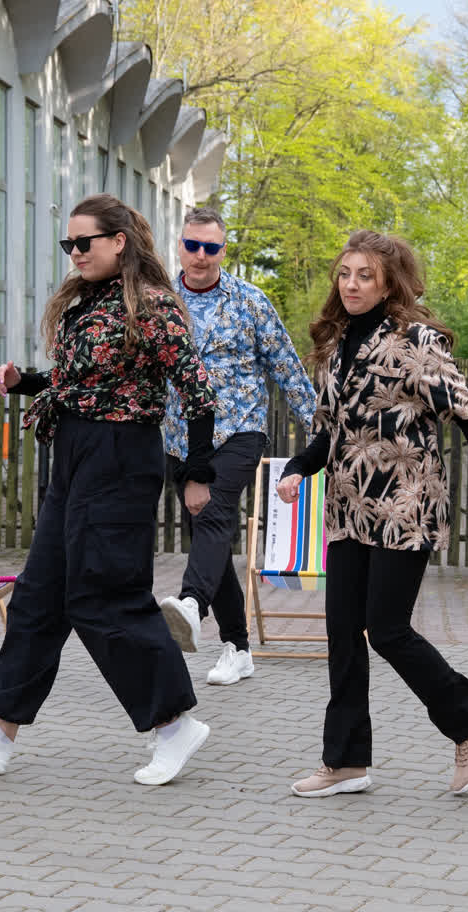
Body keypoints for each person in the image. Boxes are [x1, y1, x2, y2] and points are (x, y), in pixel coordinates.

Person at [0, 194, 219, 787]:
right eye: (69, 244)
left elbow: (198, 392)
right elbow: (77, 383)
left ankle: (174, 725)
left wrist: (198, 471)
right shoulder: (90, 301)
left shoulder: (153, 305)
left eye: (83, 242)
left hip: (121, 456)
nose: (75, 253)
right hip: (76, 454)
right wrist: (23, 381)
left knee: (105, 594)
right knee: (40, 594)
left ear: (118, 241)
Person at [278, 230, 468, 798]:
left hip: (405, 505)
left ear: (388, 284)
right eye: (345, 273)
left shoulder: (416, 341)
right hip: (348, 508)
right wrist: (299, 468)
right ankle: (346, 762)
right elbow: (332, 431)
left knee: (386, 630)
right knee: (342, 634)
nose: (351, 284)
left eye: (365, 275)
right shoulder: (336, 344)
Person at [156, 205, 318, 686]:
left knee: (214, 510)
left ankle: (190, 604)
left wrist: (324, 433)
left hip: (239, 430)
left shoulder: (251, 302)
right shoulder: (160, 302)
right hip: (180, 439)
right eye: (192, 245)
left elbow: (287, 368)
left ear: (224, 251)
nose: (200, 255)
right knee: (210, 536)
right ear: (180, 246)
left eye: (211, 247)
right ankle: (239, 648)